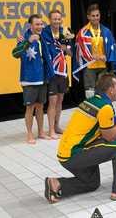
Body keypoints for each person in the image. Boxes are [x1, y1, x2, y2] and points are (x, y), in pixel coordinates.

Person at [44, 73, 116, 203]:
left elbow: (99, 128)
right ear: (111, 89)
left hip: (66, 153)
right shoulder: (105, 107)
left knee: (92, 183)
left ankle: (55, 184)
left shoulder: (90, 101)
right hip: (75, 153)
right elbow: (110, 136)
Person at [12, 14, 54, 144]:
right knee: (30, 107)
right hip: (29, 78)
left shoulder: (42, 37)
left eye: (41, 24)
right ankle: (29, 134)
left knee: (40, 106)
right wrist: (28, 41)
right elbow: (15, 53)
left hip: (42, 77)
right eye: (37, 24)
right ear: (31, 26)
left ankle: (41, 132)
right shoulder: (24, 38)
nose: (40, 26)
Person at [73, 3, 116, 98]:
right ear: (88, 17)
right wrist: (91, 56)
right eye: (93, 16)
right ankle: (91, 112)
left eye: (97, 15)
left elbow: (112, 48)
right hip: (89, 66)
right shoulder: (83, 32)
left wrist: (107, 57)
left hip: (103, 66)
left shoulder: (106, 31)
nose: (95, 18)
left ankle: (103, 111)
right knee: (90, 93)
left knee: (104, 90)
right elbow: (79, 50)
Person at [42, 10, 73, 139]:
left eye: (59, 19)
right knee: (53, 101)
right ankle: (50, 130)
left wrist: (65, 48)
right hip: (51, 72)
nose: (57, 21)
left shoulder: (65, 32)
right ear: (49, 20)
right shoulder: (45, 33)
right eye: (54, 19)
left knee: (60, 100)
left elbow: (71, 54)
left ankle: (56, 126)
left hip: (62, 71)